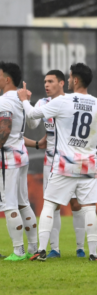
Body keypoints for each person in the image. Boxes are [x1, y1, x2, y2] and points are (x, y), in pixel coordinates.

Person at [17, 63, 97, 261]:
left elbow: (31, 115)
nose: (69, 79)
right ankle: (93, 253)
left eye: (71, 77)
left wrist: (24, 100)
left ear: (75, 80)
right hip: (89, 164)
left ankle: (42, 250)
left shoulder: (64, 101)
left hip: (64, 163)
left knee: (49, 205)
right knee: (89, 208)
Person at [24, 70, 87, 258]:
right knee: (53, 204)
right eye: (44, 81)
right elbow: (33, 124)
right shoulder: (42, 103)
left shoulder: (72, 101)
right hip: (50, 161)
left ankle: (80, 248)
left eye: (51, 81)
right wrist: (27, 102)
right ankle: (55, 249)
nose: (46, 85)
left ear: (61, 83)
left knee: (76, 204)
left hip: (72, 160)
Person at [0, 61, 38, 261]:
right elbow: (28, 125)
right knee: (23, 203)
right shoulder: (20, 99)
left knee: (9, 204)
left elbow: (4, 129)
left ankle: (18, 251)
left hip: (7, 157)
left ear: (7, 79)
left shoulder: (4, 101)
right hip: (21, 155)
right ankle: (32, 248)